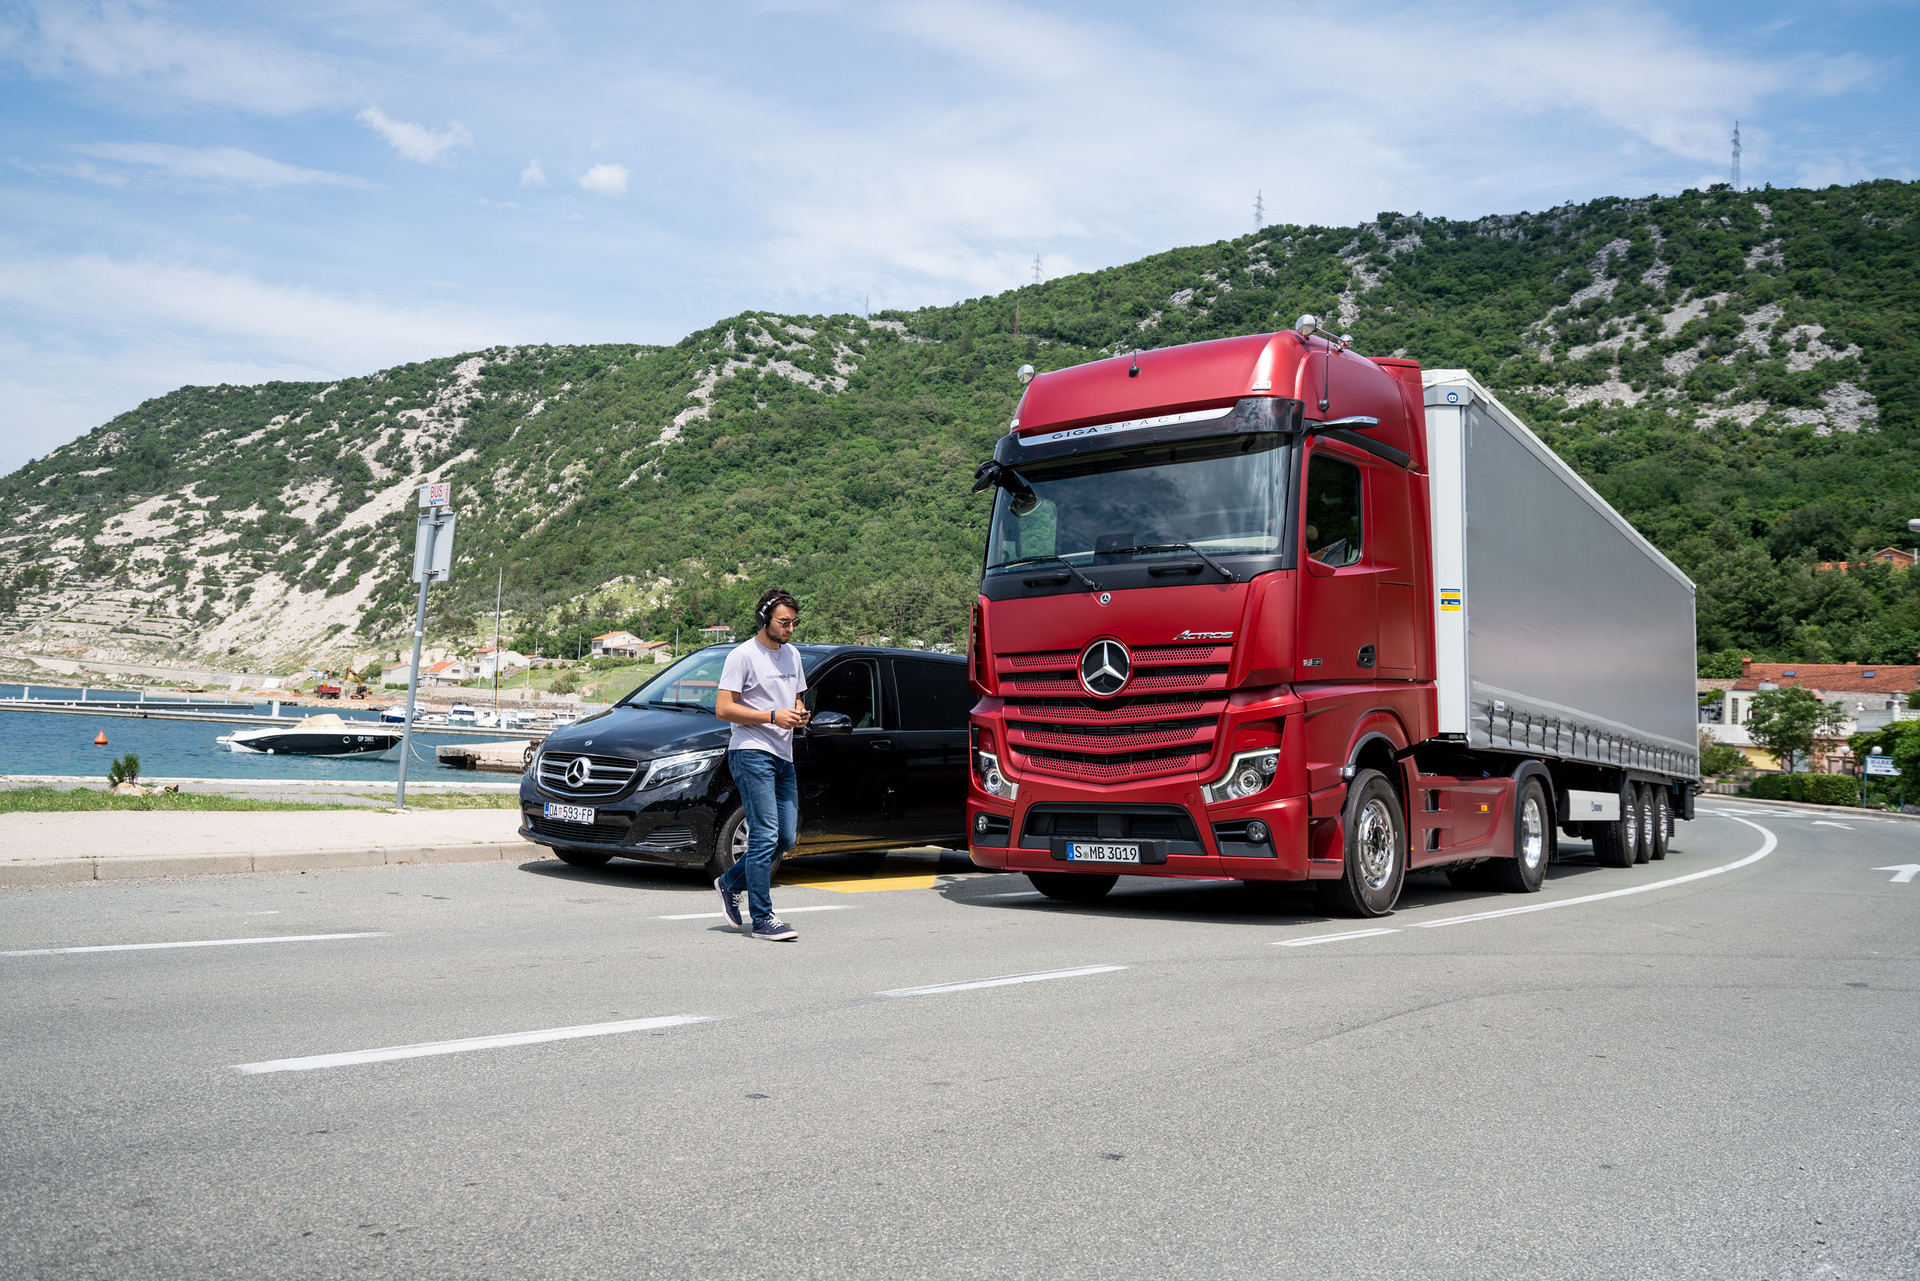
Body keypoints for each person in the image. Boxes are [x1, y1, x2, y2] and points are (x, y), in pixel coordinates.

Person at [713, 588, 809, 941]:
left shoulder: (793, 655)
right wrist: (771, 716)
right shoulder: (742, 656)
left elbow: (796, 697)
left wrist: (798, 714)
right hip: (751, 752)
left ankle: (729, 882)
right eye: (784, 622)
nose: (790, 629)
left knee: (784, 837)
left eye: (794, 622)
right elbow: (724, 708)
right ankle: (763, 918)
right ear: (763, 619)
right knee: (764, 835)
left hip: (784, 754)